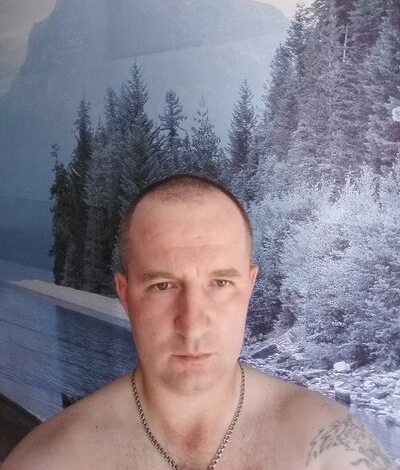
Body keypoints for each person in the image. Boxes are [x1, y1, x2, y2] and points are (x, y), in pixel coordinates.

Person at [3, 174, 395, 470]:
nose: (192, 326)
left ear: (249, 287)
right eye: (162, 286)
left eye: (220, 283)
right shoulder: (50, 460)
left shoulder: (334, 451)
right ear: (125, 294)